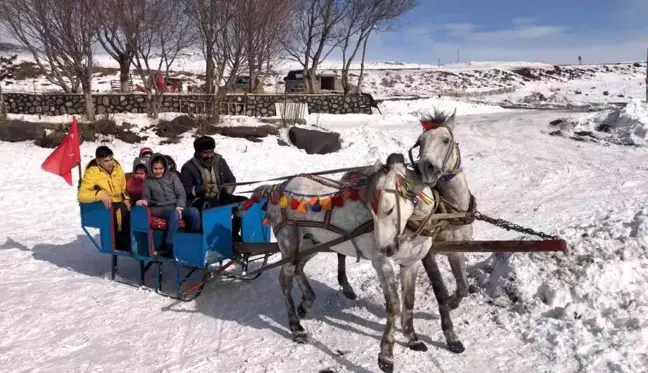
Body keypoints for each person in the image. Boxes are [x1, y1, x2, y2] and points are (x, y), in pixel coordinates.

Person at [180, 136, 248, 241]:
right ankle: (215, 238)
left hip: (220, 196)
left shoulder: (220, 161)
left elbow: (231, 179)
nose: (209, 156)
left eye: (211, 152)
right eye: (205, 153)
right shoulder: (188, 168)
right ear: (198, 152)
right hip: (198, 200)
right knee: (213, 205)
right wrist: (201, 189)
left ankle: (233, 234)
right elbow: (184, 190)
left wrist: (229, 187)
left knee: (244, 202)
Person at [137, 153, 201, 257]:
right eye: (155, 169)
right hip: (158, 208)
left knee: (194, 212)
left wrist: (180, 206)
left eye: (160, 168)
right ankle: (169, 246)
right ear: (151, 168)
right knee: (174, 214)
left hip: (175, 206)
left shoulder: (172, 177)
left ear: (165, 167)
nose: (158, 171)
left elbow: (181, 193)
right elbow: (146, 197)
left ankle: (193, 241)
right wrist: (144, 201)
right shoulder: (148, 181)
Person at [78, 146, 131, 251]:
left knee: (137, 210)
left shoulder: (117, 168)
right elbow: (82, 195)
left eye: (111, 159)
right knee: (120, 211)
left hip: (119, 201)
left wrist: (126, 198)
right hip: (106, 206)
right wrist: (99, 195)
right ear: (98, 161)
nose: (110, 163)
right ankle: (121, 244)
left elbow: (122, 188)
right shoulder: (92, 172)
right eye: (106, 161)